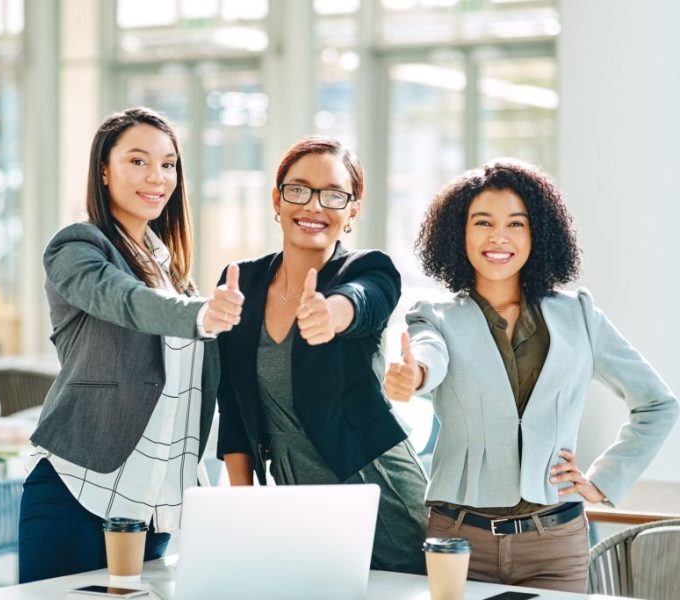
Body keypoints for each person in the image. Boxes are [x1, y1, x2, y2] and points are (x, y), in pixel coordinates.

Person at [383, 158, 679, 592]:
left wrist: (601, 482)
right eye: (482, 222)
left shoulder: (578, 314)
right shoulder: (433, 317)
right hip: (457, 541)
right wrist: (417, 374)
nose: (498, 236)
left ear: (537, 233)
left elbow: (657, 403)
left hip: (554, 544)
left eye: (515, 224)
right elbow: (431, 356)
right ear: (458, 233)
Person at [18, 107, 244, 583]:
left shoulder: (174, 274)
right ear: (104, 170)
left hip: (153, 500)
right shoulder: (78, 247)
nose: (156, 177)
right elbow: (122, 299)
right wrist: (201, 314)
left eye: (167, 164)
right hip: (79, 488)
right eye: (138, 161)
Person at [216, 136, 429, 575]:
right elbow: (233, 401)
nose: (313, 206)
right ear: (277, 200)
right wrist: (242, 501)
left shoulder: (369, 268)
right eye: (298, 190)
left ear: (352, 210)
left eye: (333, 195)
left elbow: (365, 301)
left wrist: (331, 314)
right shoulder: (243, 282)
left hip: (377, 486)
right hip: (297, 497)